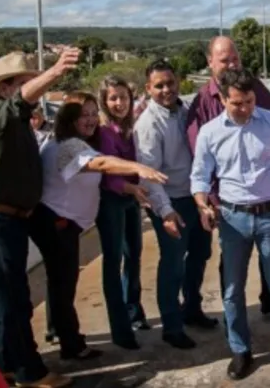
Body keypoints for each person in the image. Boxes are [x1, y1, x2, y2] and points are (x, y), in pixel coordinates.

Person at [191, 68, 270, 380]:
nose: (245, 108)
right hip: (232, 220)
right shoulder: (209, 133)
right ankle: (240, 350)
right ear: (221, 99)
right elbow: (200, 177)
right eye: (237, 103)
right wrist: (203, 204)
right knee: (232, 290)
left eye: (249, 101)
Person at [0, 51, 79, 388]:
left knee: (8, 296)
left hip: (16, 217)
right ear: (4, 89)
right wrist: (56, 71)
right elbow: (21, 100)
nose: (32, 89)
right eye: (23, 82)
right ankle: (30, 372)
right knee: (16, 297)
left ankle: (0, 365)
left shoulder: (20, 125)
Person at [33, 92, 167, 359]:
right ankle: (72, 345)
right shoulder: (70, 145)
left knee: (60, 282)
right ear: (69, 118)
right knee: (64, 283)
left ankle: (60, 333)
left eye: (94, 113)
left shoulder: (72, 142)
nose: (92, 119)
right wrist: (139, 168)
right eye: (85, 114)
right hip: (57, 220)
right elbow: (103, 163)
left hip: (62, 221)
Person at [186, 36, 270, 320]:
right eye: (224, 60)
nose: (230, 64)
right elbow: (198, 157)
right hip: (226, 201)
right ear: (210, 62)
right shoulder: (202, 102)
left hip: (264, 195)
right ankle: (233, 317)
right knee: (232, 264)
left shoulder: (257, 89)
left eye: (234, 58)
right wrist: (209, 200)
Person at [135, 60, 205, 348]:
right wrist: (166, 212)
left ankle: (192, 309)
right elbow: (150, 176)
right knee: (173, 263)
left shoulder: (186, 110)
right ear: (148, 88)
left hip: (195, 196)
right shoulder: (148, 125)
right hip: (170, 201)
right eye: (159, 85)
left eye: (170, 83)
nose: (167, 89)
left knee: (200, 255)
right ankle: (172, 325)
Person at [95, 76, 152, 349]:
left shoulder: (132, 127)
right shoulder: (105, 132)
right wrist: (133, 188)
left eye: (123, 97)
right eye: (113, 98)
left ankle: (134, 310)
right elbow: (109, 176)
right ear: (104, 102)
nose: (119, 103)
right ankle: (120, 328)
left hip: (131, 199)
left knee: (134, 257)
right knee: (113, 261)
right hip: (113, 201)